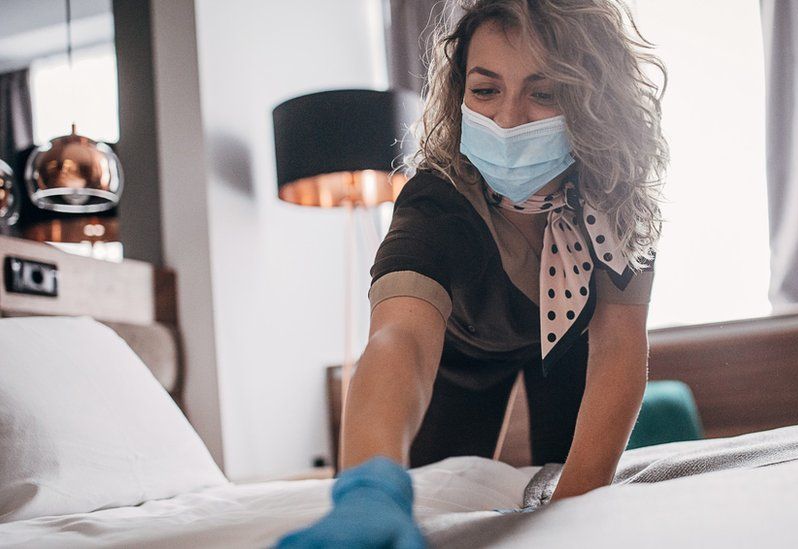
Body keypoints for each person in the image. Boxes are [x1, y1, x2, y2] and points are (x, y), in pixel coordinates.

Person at [277, 0, 666, 546]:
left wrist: (576, 513)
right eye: (486, 91)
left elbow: (621, 347)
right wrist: (369, 487)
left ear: (591, 98)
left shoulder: (616, 198)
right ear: (459, 95)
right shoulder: (438, 201)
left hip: (571, 348)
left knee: (576, 494)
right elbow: (401, 340)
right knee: (441, 491)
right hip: (461, 359)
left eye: (544, 92)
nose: (507, 119)